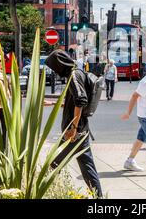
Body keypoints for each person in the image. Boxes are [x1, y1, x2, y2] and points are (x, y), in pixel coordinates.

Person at [46, 49, 103, 198]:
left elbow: (81, 100)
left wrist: (73, 127)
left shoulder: (73, 75)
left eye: (54, 67)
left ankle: (46, 192)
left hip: (75, 132)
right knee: (87, 167)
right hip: (81, 130)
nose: (55, 71)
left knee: (54, 164)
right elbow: (74, 101)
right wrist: (54, 103)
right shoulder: (78, 72)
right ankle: (99, 197)